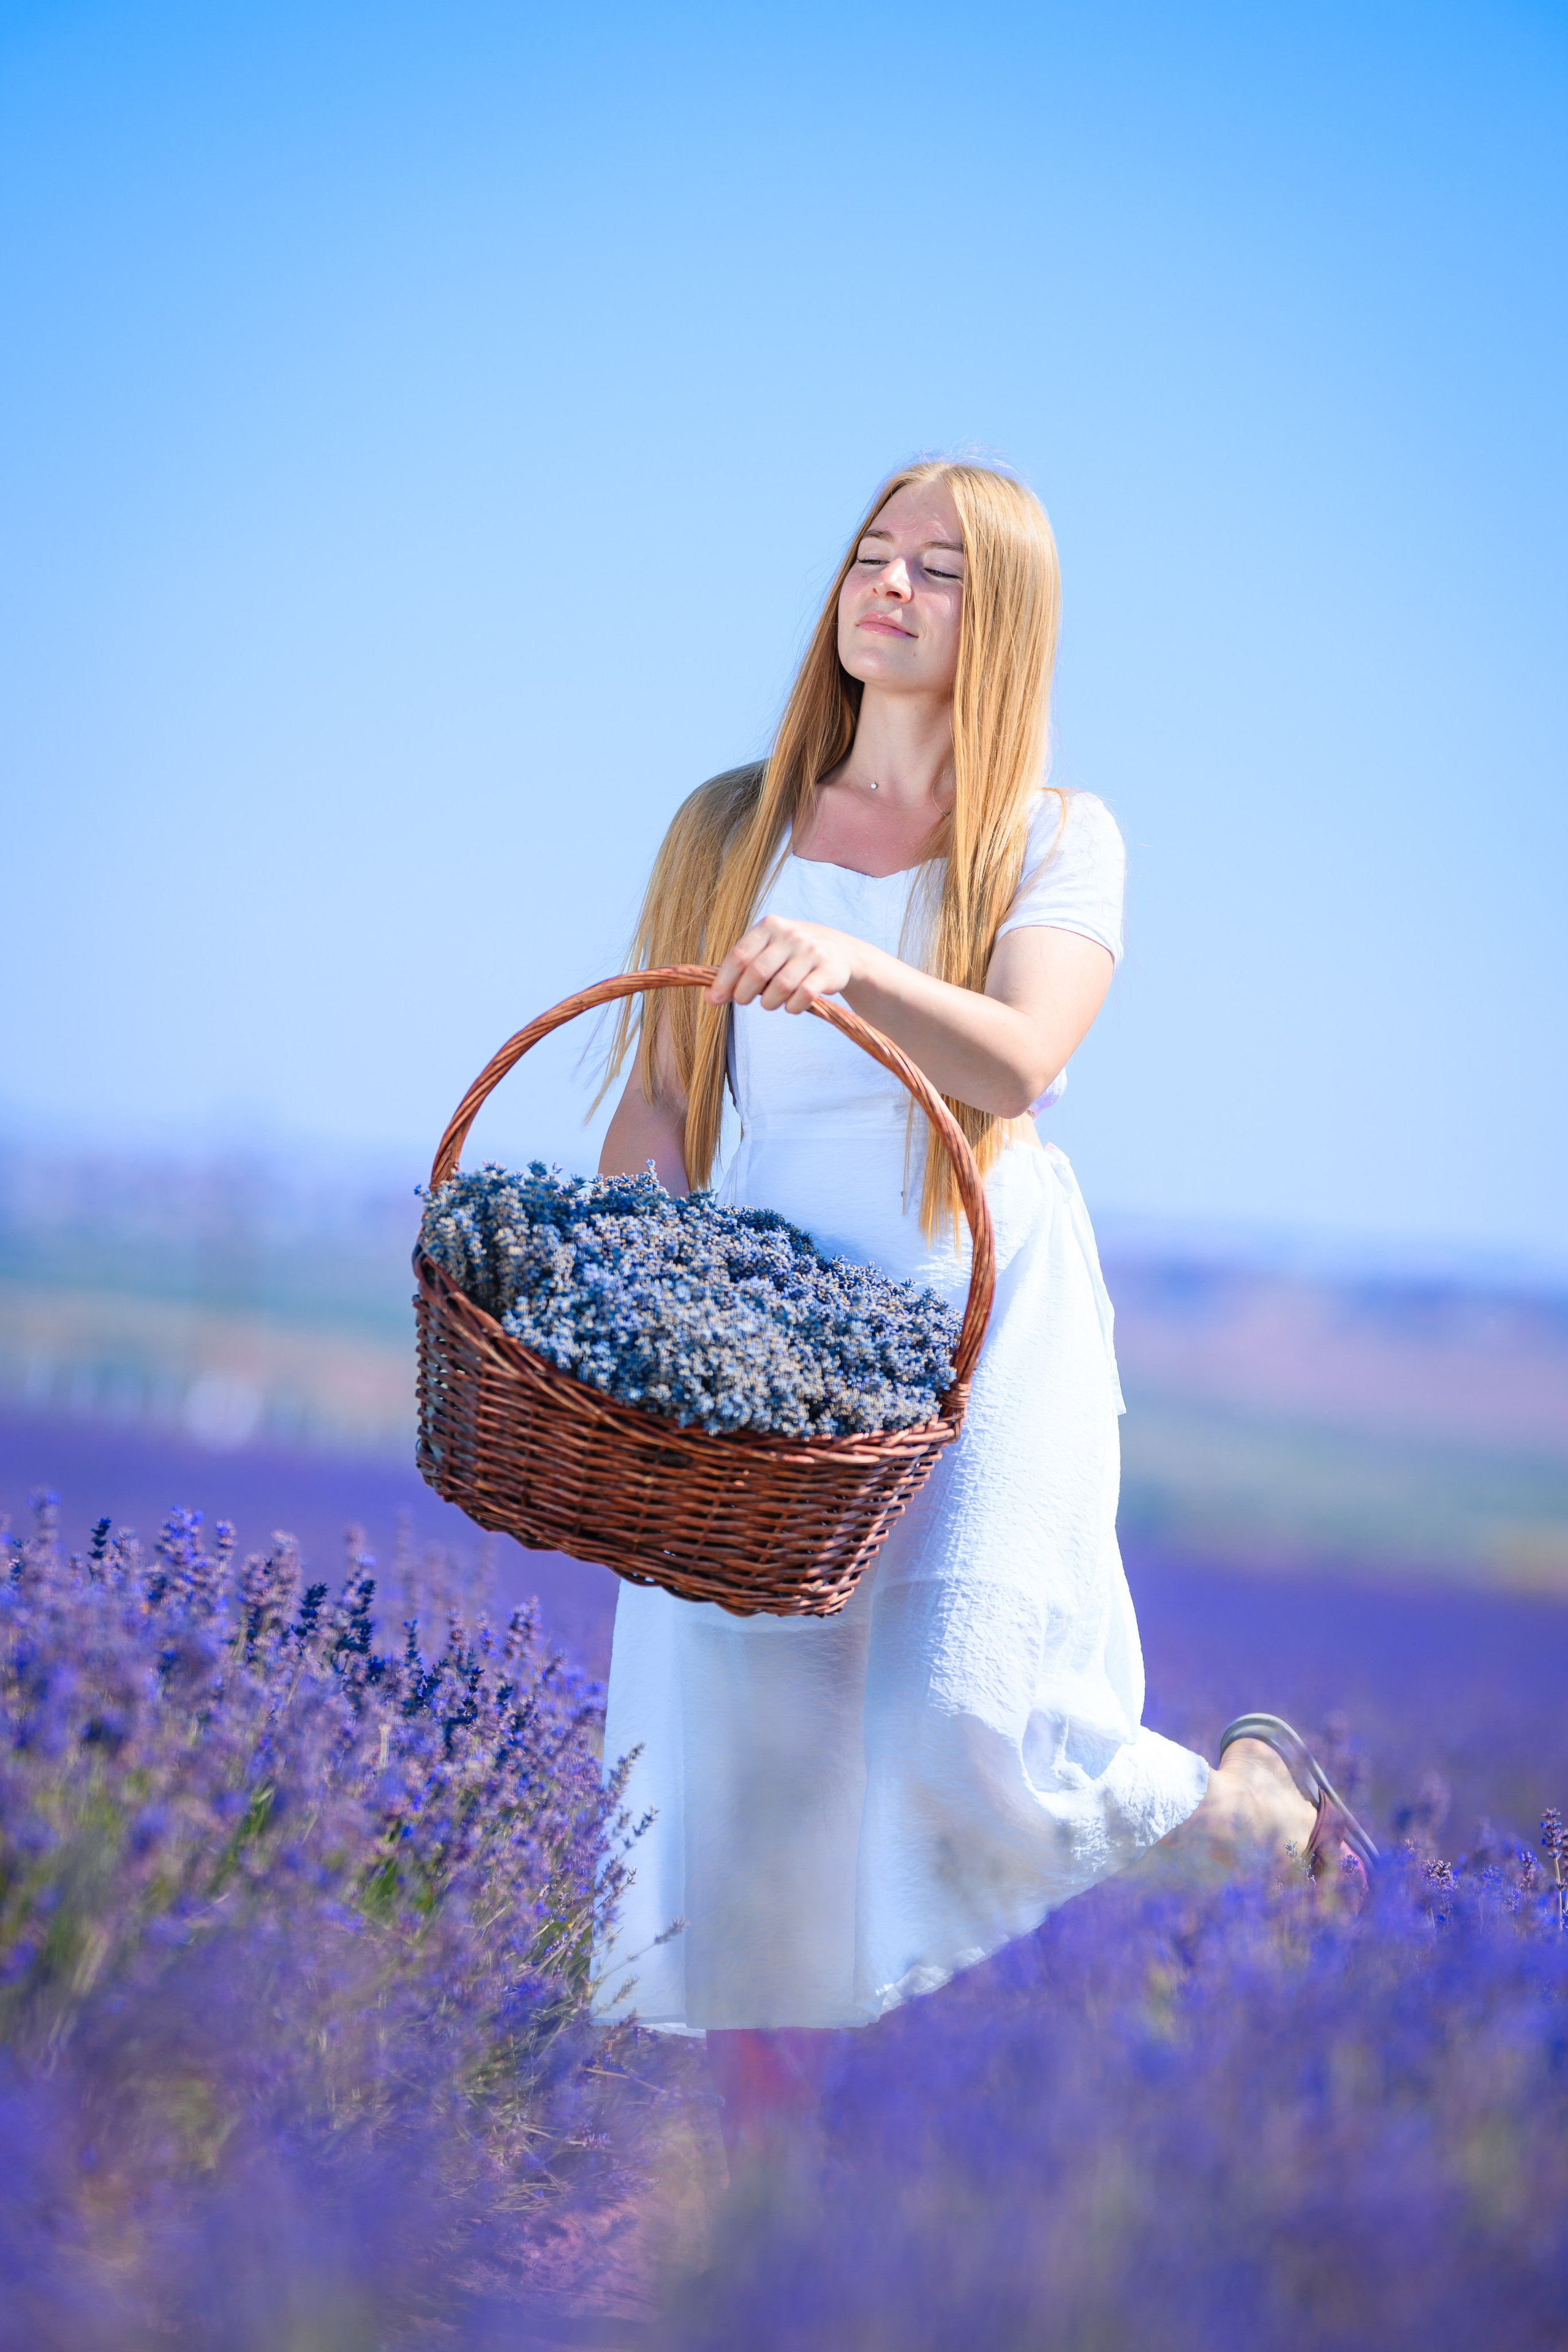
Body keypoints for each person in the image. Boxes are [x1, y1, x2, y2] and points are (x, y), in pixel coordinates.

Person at [592, 460, 1374, 2146]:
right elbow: (662, 1104)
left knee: (965, 1715)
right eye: (871, 556)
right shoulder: (729, 827)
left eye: (935, 570)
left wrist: (855, 966)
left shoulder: (1057, 836)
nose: (886, 588)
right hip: (770, 1332)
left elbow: (1026, 1054)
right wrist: (647, 1312)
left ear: (1002, 612)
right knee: (760, 1772)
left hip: (980, 1302)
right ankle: (776, 2216)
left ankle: (1251, 1808)